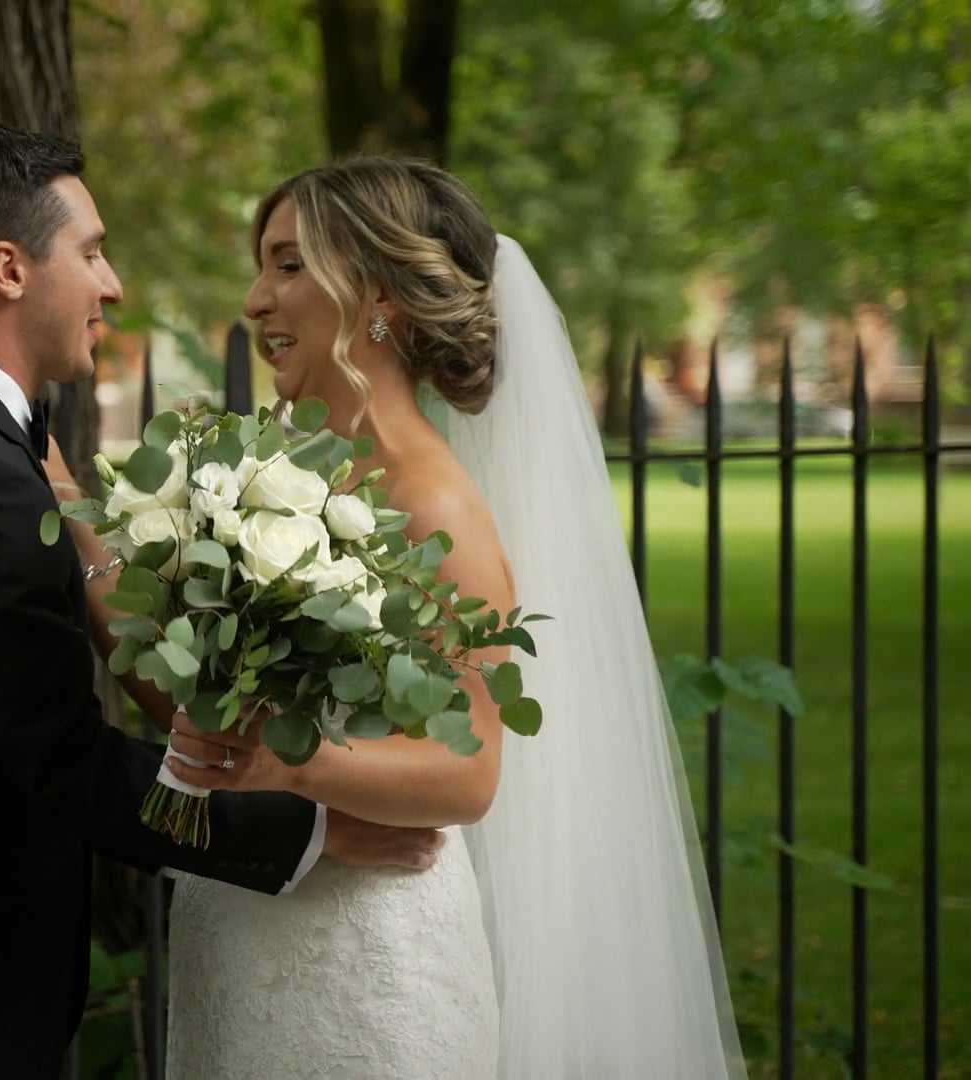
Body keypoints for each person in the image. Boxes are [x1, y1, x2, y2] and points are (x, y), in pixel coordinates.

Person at [0, 125, 445, 1080]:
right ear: (9, 269)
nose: (112, 284)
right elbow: (66, 763)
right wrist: (313, 831)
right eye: (90, 253)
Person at [64, 158, 746, 1078]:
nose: (256, 300)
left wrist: (289, 763)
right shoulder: (273, 476)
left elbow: (467, 774)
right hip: (243, 929)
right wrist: (77, 523)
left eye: (289, 266)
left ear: (378, 293)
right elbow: (198, 712)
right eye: (263, 268)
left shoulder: (433, 502)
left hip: (368, 960)